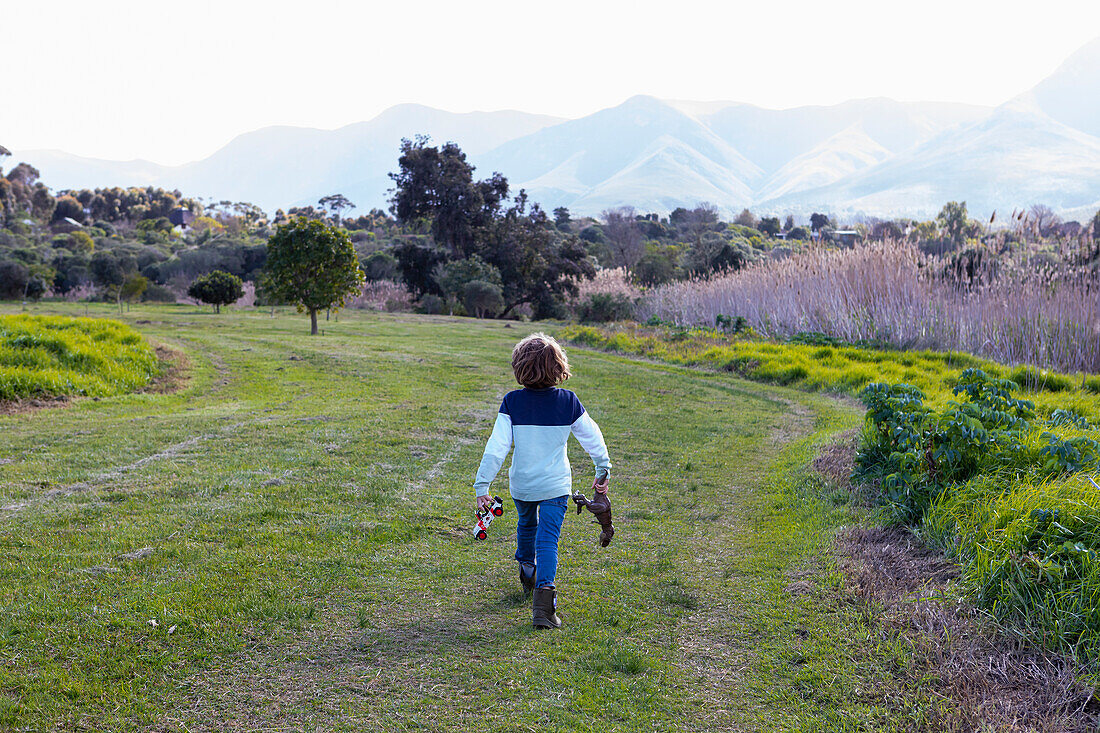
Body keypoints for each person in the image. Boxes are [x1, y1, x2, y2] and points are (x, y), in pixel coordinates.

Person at [473, 332, 612, 629]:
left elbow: (496, 447)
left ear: (519, 367)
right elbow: (593, 438)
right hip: (555, 485)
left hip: (522, 484)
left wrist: (482, 485)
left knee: (526, 524)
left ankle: (526, 569)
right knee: (548, 540)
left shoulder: (512, 402)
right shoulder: (568, 401)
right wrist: (603, 469)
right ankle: (544, 607)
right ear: (558, 367)